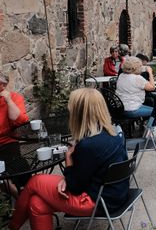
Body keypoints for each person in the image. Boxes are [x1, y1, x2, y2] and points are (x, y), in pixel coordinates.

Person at [8, 88, 128, 230]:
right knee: (37, 204)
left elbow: (75, 188)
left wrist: (68, 159)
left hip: (97, 201)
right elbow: (87, 172)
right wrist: (67, 178)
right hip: (116, 195)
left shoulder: (88, 146)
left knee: (35, 181)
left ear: (78, 113)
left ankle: (13, 226)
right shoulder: (112, 134)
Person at [0, 71, 30, 192]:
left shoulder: (14, 98)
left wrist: (9, 101)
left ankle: (24, 198)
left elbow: (19, 120)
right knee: (3, 176)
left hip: (8, 143)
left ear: (4, 85)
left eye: (3, 84)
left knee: (20, 170)